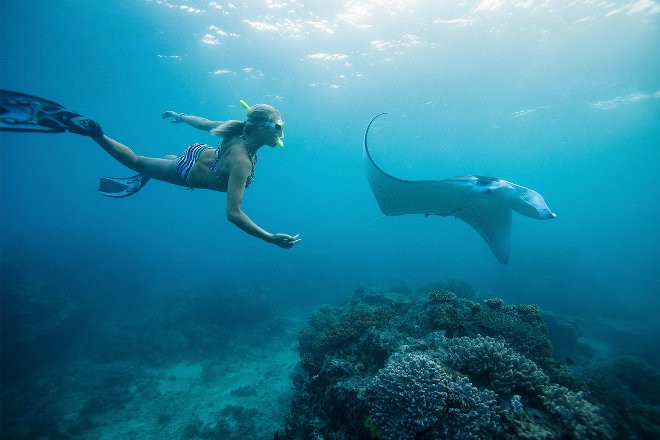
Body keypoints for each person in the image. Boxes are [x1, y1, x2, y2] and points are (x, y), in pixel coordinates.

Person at [0, 90, 300, 248]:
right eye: (279, 127)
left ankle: (161, 164)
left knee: (165, 162)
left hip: (198, 154)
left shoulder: (237, 132)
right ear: (261, 129)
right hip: (189, 172)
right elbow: (233, 213)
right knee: (137, 162)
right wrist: (269, 237)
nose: (281, 133)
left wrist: (181, 116)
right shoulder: (242, 162)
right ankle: (94, 133)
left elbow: (205, 123)